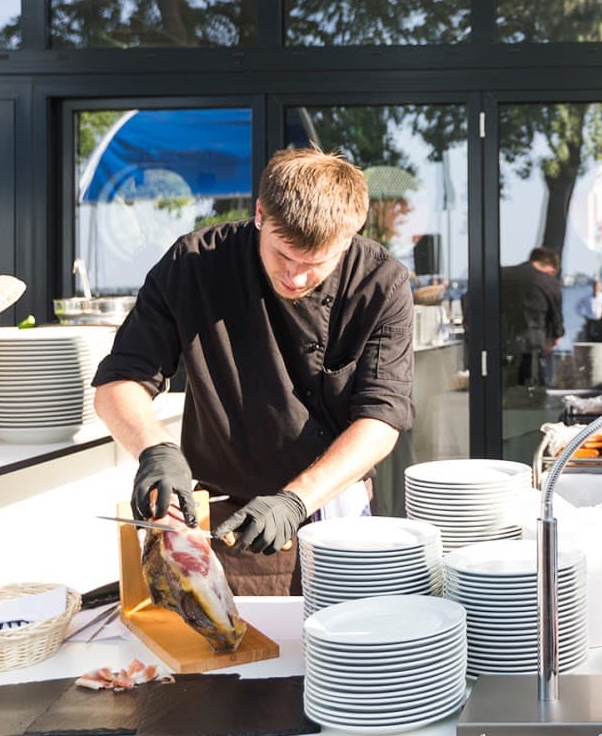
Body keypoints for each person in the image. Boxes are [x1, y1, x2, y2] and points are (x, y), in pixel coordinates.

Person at [93, 148, 415, 596]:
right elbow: (119, 382)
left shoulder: (381, 282)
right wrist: (156, 451)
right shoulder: (194, 265)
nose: (296, 278)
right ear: (260, 213)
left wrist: (295, 500)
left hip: (333, 503)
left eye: (315, 264)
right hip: (225, 514)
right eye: (284, 255)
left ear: (349, 237)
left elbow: (382, 419)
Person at [499, 246, 564, 387]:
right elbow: (556, 323)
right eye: (553, 273)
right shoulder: (548, 281)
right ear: (549, 267)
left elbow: (468, 297)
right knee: (532, 398)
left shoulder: (501, 274)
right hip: (531, 348)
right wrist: (555, 336)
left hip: (499, 347)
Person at [575, 277, 602, 342]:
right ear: (593, 287)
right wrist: (583, 315)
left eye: (598, 286)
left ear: (601, 287)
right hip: (590, 320)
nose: (596, 288)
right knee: (589, 338)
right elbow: (577, 307)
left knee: (600, 338)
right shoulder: (587, 297)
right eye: (595, 286)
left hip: (600, 320)